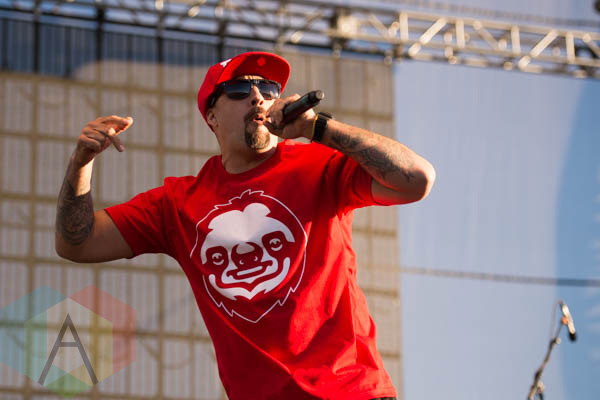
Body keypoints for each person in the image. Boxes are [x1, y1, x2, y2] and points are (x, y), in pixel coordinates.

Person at [55, 51, 435, 400]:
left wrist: (318, 128)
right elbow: (77, 242)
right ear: (212, 117)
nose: (257, 98)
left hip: (350, 391)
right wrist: (81, 163)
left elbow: (416, 179)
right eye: (238, 90)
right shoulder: (177, 204)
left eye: (268, 89)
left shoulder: (318, 164)